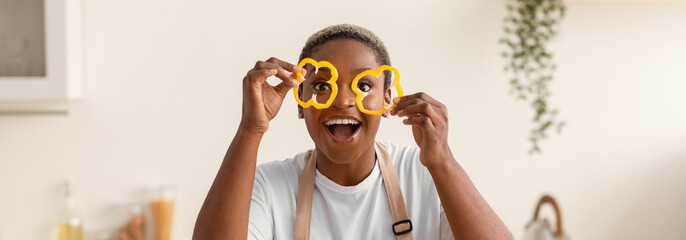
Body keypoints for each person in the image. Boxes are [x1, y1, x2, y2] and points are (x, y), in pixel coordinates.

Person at [193, 24, 513, 240]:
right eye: (321, 85)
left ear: (388, 99)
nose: (344, 100)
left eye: (363, 85)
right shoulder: (269, 186)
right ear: (301, 101)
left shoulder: (425, 174)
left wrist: (444, 164)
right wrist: (251, 129)